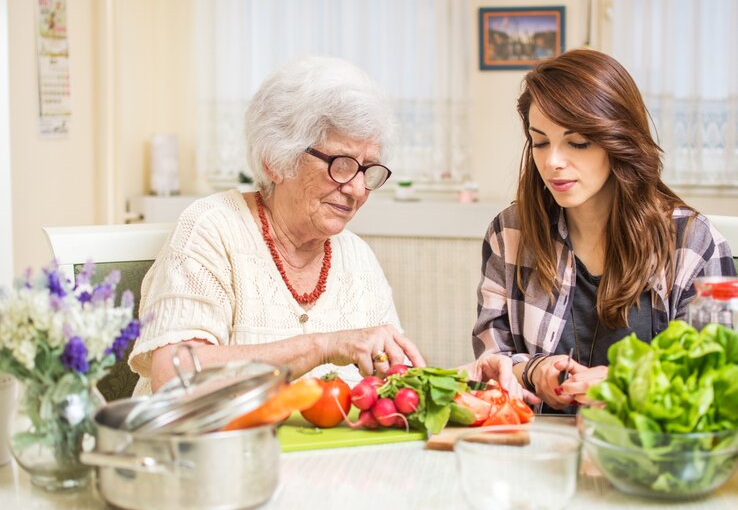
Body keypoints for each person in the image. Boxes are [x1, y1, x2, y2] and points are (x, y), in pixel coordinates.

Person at [129, 56, 425, 394]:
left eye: (368, 169)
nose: (357, 189)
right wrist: (321, 346)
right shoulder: (213, 229)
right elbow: (174, 377)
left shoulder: (358, 258)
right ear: (276, 161)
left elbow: (395, 386)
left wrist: (460, 381)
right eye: (341, 164)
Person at [471, 49, 736, 413]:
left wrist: (627, 385)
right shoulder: (510, 233)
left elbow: (719, 380)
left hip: (648, 457)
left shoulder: (692, 243)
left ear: (618, 140)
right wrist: (535, 372)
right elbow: (491, 360)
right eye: (541, 141)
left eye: (578, 142)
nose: (553, 162)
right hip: (539, 448)